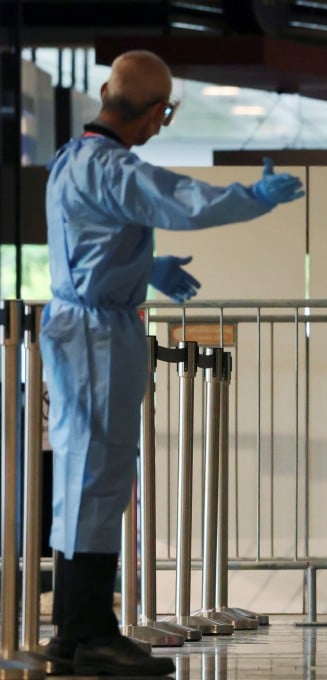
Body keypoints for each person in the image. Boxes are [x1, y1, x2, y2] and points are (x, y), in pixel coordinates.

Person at [40, 50, 304, 676]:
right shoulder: (114, 166)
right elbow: (184, 201)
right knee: (100, 478)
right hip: (98, 335)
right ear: (157, 112)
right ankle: (89, 631)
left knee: (86, 476)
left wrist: (140, 267)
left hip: (82, 323)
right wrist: (255, 197)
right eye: (167, 113)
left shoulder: (69, 158)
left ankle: (74, 631)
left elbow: (85, 242)